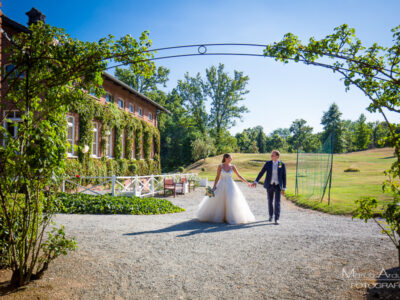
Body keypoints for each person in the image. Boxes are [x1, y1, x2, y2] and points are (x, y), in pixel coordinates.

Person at [196, 153, 256, 225]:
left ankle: (231, 217)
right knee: (218, 200)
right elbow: (217, 177)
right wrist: (214, 186)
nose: (231, 159)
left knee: (231, 200)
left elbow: (239, 176)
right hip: (221, 184)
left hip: (231, 185)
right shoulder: (220, 166)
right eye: (229, 158)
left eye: (231, 158)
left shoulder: (233, 166)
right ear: (225, 158)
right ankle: (219, 217)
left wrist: (247, 183)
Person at [251, 150, 286, 225]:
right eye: (271, 155)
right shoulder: (268, 163)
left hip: (277, 185)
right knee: (270, 201)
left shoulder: (281, 164)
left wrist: (284, 187)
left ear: (277, 156)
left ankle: (277, 219)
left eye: (273, 155)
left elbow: (284, 176)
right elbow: (261, 172)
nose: (271, 156)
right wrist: (256, 181)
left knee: (277, 202)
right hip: (269, 185)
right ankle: (270, 215)